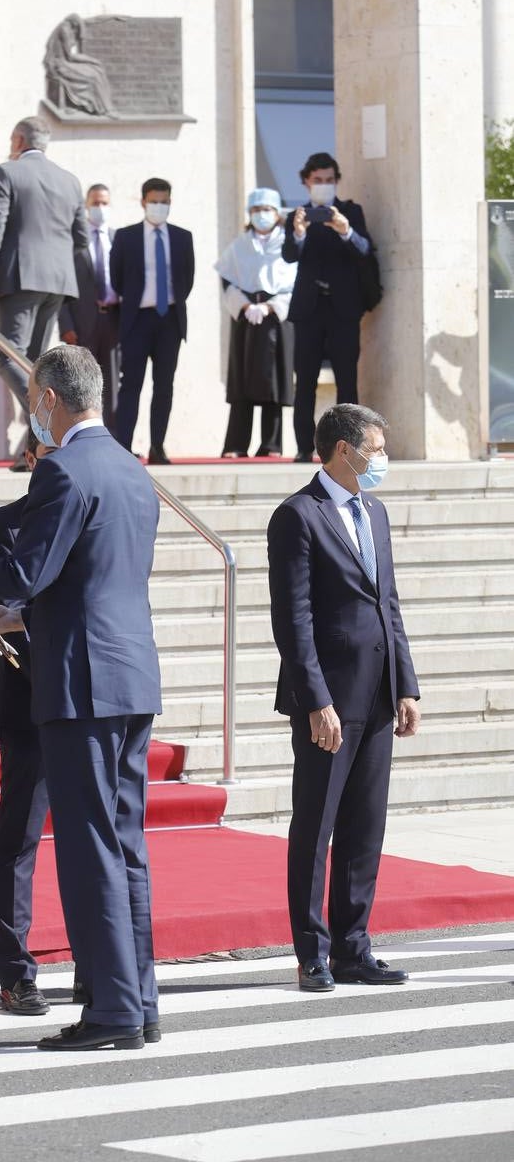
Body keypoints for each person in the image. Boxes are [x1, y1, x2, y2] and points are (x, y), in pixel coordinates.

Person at [0, 345, 163, 1051]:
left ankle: (112, 1010)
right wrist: (14, 616)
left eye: (31, 400)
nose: (31, 413)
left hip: (81, 683)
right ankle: (137, 999)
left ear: (49, 399)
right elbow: (87, 582)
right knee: (127, 846)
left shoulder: (63, 469)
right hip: (129, 674)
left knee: (89, 850)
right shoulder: (131, 470)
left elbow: (25, 566)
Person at [267, 403, 421, 993]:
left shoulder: (374, 512)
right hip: (327, 700)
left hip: (378, 693)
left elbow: (390, 604)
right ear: (342, 450)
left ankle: (354, 947)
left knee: (365, 827)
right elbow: (294, 619)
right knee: (316, 826)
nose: (381, 459)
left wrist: (406, 684)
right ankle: (313, 952)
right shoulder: (298, 516)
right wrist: (316, 700)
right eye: (375, 449)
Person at [0, 428, 51, 1016]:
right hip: (26, 701)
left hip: (89, 700)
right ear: (30, 459)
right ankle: (16, 970)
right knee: (19, 839)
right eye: (49, 456)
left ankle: (100, 966)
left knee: (94, 840)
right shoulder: (4, 521)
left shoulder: (92, 510)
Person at [0, 116, 89, 467]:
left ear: (18, 139)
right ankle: (35, 454)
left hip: (20, 278)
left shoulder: (7, 172)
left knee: (8, 357)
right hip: (58, 281)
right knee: (36, 366)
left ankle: (52, 421)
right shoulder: (70, 180)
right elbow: (81, 238)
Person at [282, 151, 374, 463]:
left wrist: (345, 230)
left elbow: (365, 250)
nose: (324, 185)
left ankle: (348, 447)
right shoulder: (297, 216)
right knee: (304, 381)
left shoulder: (350, 211)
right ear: (307, 182)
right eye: (318, 180)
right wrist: (299, 233)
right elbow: (289, 255)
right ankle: (304, 447)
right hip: (308, 310)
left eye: (329, 180)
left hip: (343, 309)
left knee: (347, 380)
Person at [110, 177, 195, 464]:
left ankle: (157, 446)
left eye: (165, 201)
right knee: (131, 384)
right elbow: (117, 279)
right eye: (154, 201)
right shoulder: (126, 236)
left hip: (170, 319)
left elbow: (187, 280)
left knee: (164, 386)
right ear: (143, 201)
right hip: (137, 319)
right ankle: (122, 446)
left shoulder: (183, 237)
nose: (159, 206)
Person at [215, 187, 295, 458]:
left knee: (273, 382)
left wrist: (272, 306)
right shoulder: (239, 246)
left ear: (277, 213)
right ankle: (236, 444)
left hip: (276, 318)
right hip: (246, 319)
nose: (262, 215)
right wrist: (246, 306)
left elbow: (295, 283)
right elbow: (226, 280)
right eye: (257, 210)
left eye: (268, 210)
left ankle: (271, 444)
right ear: (250, 213)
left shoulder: (288, 244)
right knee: (242, 380)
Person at [59, 183, 120, 430]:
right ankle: (85, 435)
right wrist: (66, 325)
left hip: (114, 320)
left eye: (104, 203)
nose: (100, 208)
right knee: (83, 385)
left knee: (113, 384)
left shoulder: (118, 239)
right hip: (83, 324)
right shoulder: (74, 243)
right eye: (95, 203)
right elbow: (62, 288)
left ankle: (115, 438)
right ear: (86, 206)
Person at [43, 14, 114, 117]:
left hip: (64, 62)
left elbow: (91, 20)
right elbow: (70, 56)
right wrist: (93, 60)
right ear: (76, 25)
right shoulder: (65, 30)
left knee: (98, 70)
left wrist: (111, 16)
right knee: (94, 76)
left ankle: (106, 106)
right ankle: (105, 110)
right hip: (60, 65)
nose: (78, 34)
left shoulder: (69, 24)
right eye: (79, 30)